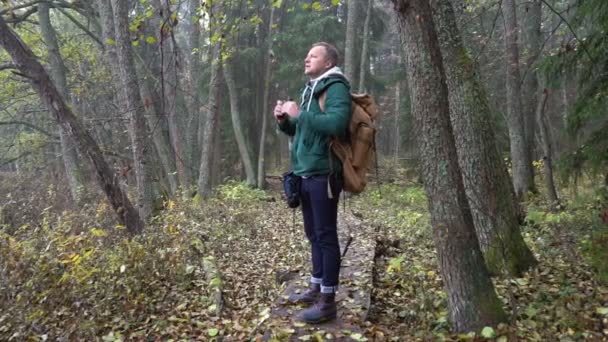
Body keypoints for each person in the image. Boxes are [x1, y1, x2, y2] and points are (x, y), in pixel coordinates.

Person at [273, 42, 351, 323]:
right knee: (313, 234)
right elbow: (300, 128)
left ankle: (328, 301)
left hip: (324, 174)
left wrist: (301, 114)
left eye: (314, 55)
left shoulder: (336, 86)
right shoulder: (310, 89)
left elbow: (335, 125)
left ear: (328, 62)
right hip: (304, 173)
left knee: (326, 236)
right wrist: (285, 121)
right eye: (306, 55)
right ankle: (316, 286)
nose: (306, 58)